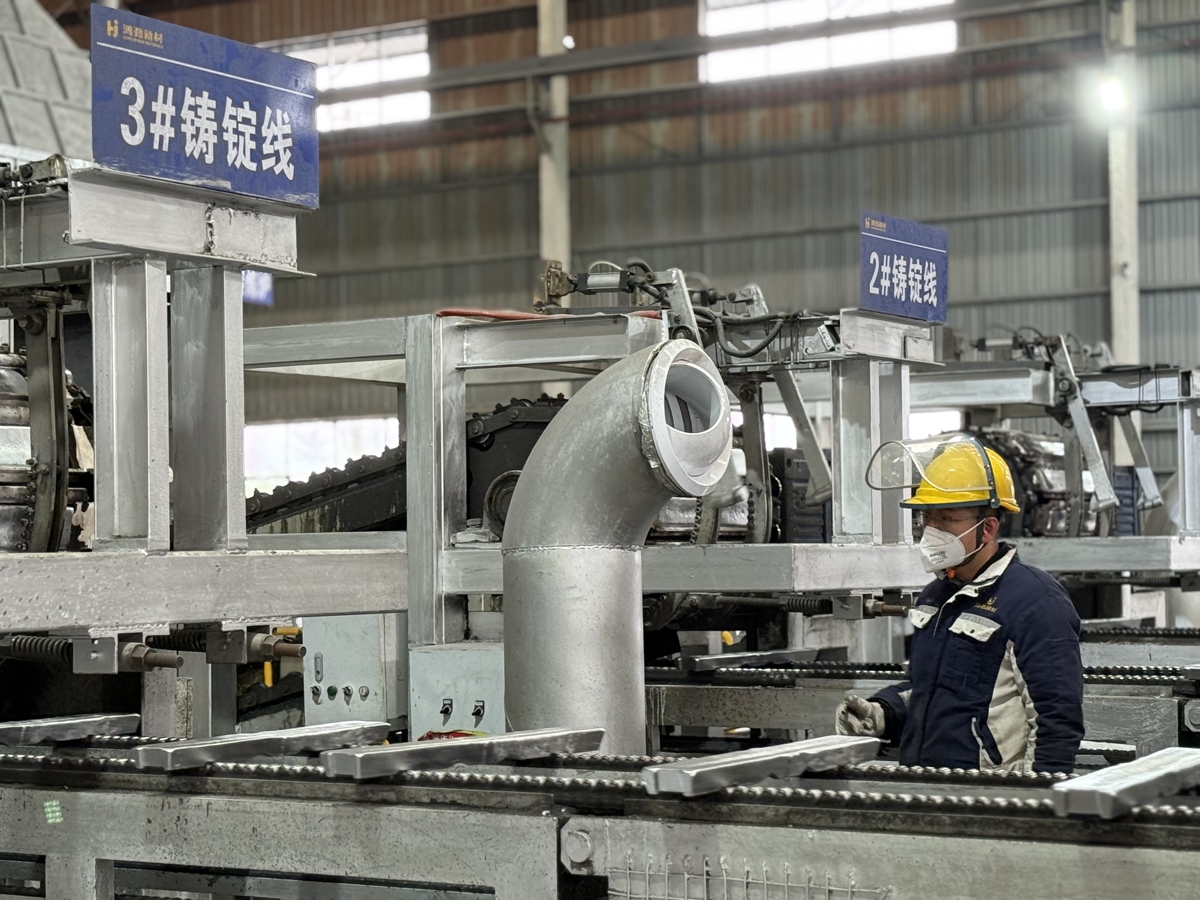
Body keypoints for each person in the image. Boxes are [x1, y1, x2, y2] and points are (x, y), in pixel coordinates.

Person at [836, 436, 1084, 774]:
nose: (932, 530)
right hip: (924, 785)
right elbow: (930, 690)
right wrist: (882, 713)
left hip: (989, 794)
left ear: (988, 528)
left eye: (947, 519)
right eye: (928, 518)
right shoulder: (935, 596)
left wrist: (1037, 797)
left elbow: (1056, 719)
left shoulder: (1035, 600)